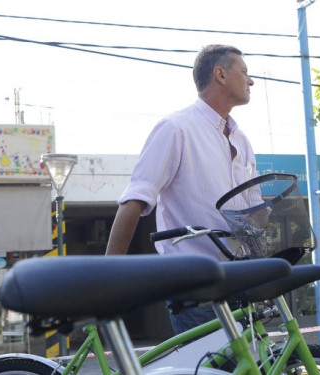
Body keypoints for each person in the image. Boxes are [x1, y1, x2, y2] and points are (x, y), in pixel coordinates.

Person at [105, 44, 257, 334]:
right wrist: (109, 277)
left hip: (239, 279)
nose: (250, 81)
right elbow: (135, 199)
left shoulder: (242, 140)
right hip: (193, 284)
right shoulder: (176, 128)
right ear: (220, 75)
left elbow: (254, 210)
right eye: (245, 72)